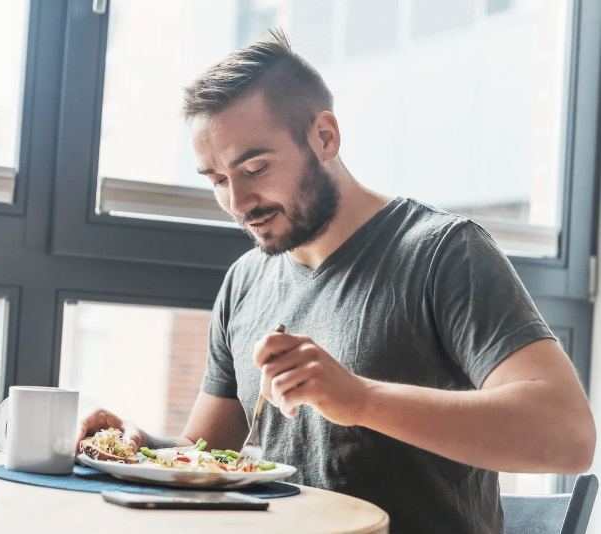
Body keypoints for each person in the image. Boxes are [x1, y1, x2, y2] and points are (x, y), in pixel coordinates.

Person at [77, 30, 596, 533]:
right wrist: (141, 447)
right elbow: (209, 454)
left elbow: (568, 437)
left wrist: (361, 400)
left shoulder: (444, 253)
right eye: (216, 181)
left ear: (324, 137)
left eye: (254, 168)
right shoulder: (245, 282)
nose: (236, 204)